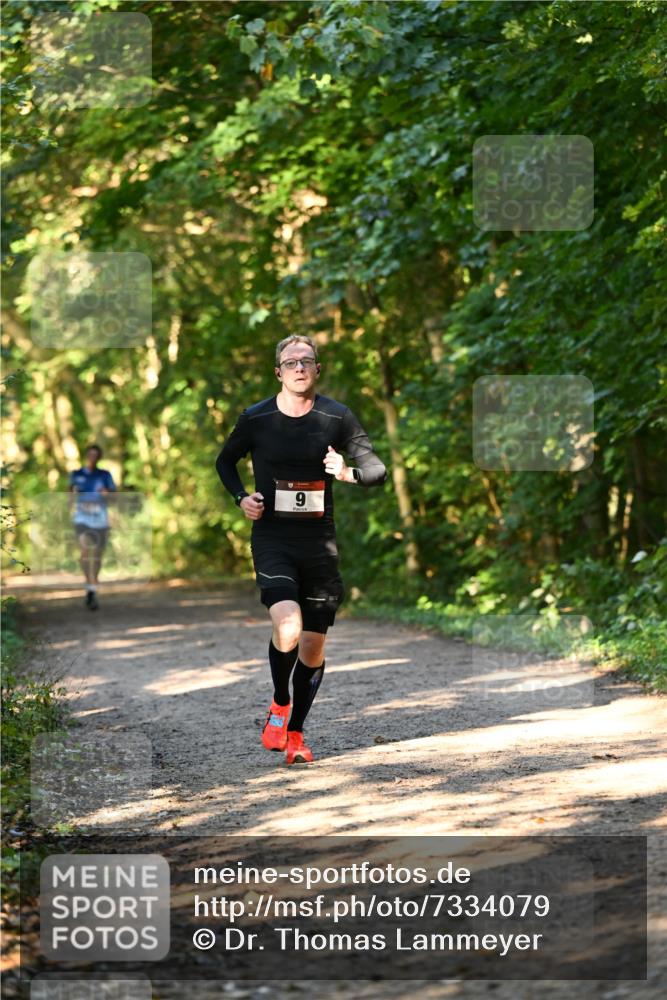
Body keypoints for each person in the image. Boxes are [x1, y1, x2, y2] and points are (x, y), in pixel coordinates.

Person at [216, 335, 387, 765]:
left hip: (319, 545)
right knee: (288, 627)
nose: (298, 368)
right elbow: (224, 461)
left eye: (306, 361)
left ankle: (295, 734)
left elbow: (377, 470)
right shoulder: (257, 418)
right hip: (273, 538)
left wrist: (345, 473)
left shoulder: (336, 417)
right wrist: (242, 498)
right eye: (290, 362)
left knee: (312, 646)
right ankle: (279, 704)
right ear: (278, 371)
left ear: (317, 368)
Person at [69, 444, 116, 610]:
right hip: (82, 518)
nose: (92, 458)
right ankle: (88, 582)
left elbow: (114, 499)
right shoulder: (76, 475)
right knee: (84, 551)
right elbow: (68, 496)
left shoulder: (105, 475)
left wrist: (107, 495)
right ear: (86, 456)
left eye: (96, 455)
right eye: (90, 455)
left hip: (100, 519)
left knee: (96, 554)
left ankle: (93, 587)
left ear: (99, 457)